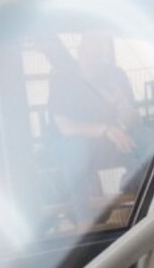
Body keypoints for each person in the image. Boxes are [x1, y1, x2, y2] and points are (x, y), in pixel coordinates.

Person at [48, 33, 141, 228]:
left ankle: (139, 196)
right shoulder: (62, 78)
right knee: (75, 149)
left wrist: (122, 113)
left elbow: (133, 115)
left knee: (148, 138)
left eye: (99, 57)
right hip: (75, 141)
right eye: (89, 56)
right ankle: (84, 221)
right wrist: (106, 129)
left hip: (112, 139)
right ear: (80, 53)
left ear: (106, 56)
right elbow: (65, 127)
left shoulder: (116, 74)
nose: (94, 62)